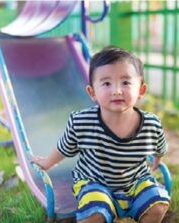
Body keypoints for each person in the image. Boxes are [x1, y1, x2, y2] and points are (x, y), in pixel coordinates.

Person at [32, 46, 170, 223]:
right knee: (94, 213)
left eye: (126, 82)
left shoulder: (151, 124)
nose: (116, 90)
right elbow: (64, 148)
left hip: (135, 181)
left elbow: (159, 149)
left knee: (158, 204)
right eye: (106, 83)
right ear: (92, 92)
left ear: (141, 91)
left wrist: (156, 164)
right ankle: (101, 210)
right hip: (94, 182)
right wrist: (47, 163)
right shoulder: (82, 122)